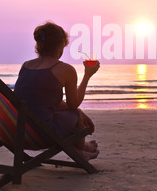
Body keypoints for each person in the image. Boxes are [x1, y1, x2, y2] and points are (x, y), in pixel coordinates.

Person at [14, 21, 100, 160]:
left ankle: (81, 149)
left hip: (17, 131)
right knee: (76, 115)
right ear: (61, 46)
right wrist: (87, 75)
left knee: (74, 113)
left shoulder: (26, 66)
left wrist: (79, 111)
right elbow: (73, 104)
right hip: (42, 134)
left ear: (38, 45)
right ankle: (79, 151)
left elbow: (39, 100)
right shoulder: (65, 69)